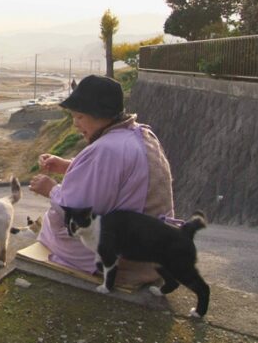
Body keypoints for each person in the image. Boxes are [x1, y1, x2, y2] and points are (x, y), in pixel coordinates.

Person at [29, 75, 174, 284]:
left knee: (54, 226)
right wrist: (68, 165)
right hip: (156, 245)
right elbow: (117, 177)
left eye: (79, 117)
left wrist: (50, 189)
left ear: (99, 115)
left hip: (127, 259)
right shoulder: (139, 133)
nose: (75, 124)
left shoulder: (106, 149)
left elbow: (78, 210)